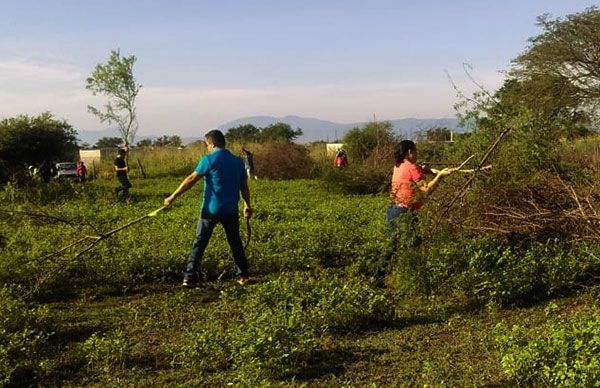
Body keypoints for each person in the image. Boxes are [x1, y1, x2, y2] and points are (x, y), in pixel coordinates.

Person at [164, 130, 252, 287]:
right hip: (230, 211)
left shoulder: (209, 160)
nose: (207, 148)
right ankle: (243, 276)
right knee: (235, 242)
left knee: (200, 243)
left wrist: (173, 196)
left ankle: (189, 277)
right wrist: (247, 204)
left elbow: (191, 179)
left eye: (207, 145)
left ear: (212, 144)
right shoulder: (237, 162)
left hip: (210, 211)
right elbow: (244, 186)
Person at [372, 140, 456, 286]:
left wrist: (429, 170)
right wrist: (440, 176)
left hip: (394, 210)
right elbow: (426, 190)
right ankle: (416, 280)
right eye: (415, 151)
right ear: (410, 152)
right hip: (404, 212)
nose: (417, 154)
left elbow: (414, 169)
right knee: (413, 245)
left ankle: (380, 277)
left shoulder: (399, 165)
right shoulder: (412, 168)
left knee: (398, 245)